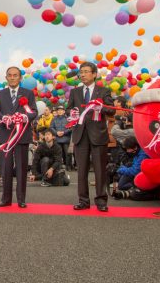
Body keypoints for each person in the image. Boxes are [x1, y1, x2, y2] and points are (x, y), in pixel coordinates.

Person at [66, 61, 115, 212]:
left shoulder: (103, 91)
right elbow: (69, 110)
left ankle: (101, 201)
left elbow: (111, 110)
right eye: (81, 72)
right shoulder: (75, 92)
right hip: (80, 135)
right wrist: (71, 114)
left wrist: (101, 107)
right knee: (81, 170)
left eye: (86, 71)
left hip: (98, 135)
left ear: (94, 74)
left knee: (100, 169)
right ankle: (83, 201)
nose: (83, 74)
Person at [0, 67, 37, 208]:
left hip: (22, 136)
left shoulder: (28, 94)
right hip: (6, 136)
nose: (12, 78)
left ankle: (21, 199)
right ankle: (5, 199)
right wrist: (3, 117)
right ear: (6, 77)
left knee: (21, 169)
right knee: (5, 169)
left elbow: (34, 112)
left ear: (20, 78)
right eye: (10, 75)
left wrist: (24, 117)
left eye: (15, 75)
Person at [50, 105, 73, 171]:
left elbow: (71, 128)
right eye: (58, 110)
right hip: (57, 139)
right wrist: (56, 132)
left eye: (61, 110)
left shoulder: (68, 119)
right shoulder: (54, 119)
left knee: (67, 153)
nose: (59, 111)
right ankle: (58, 166)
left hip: (66, 139)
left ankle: (69, 166)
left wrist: (64, 132)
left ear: (64, 111)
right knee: (58, 154)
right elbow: (51, 127)